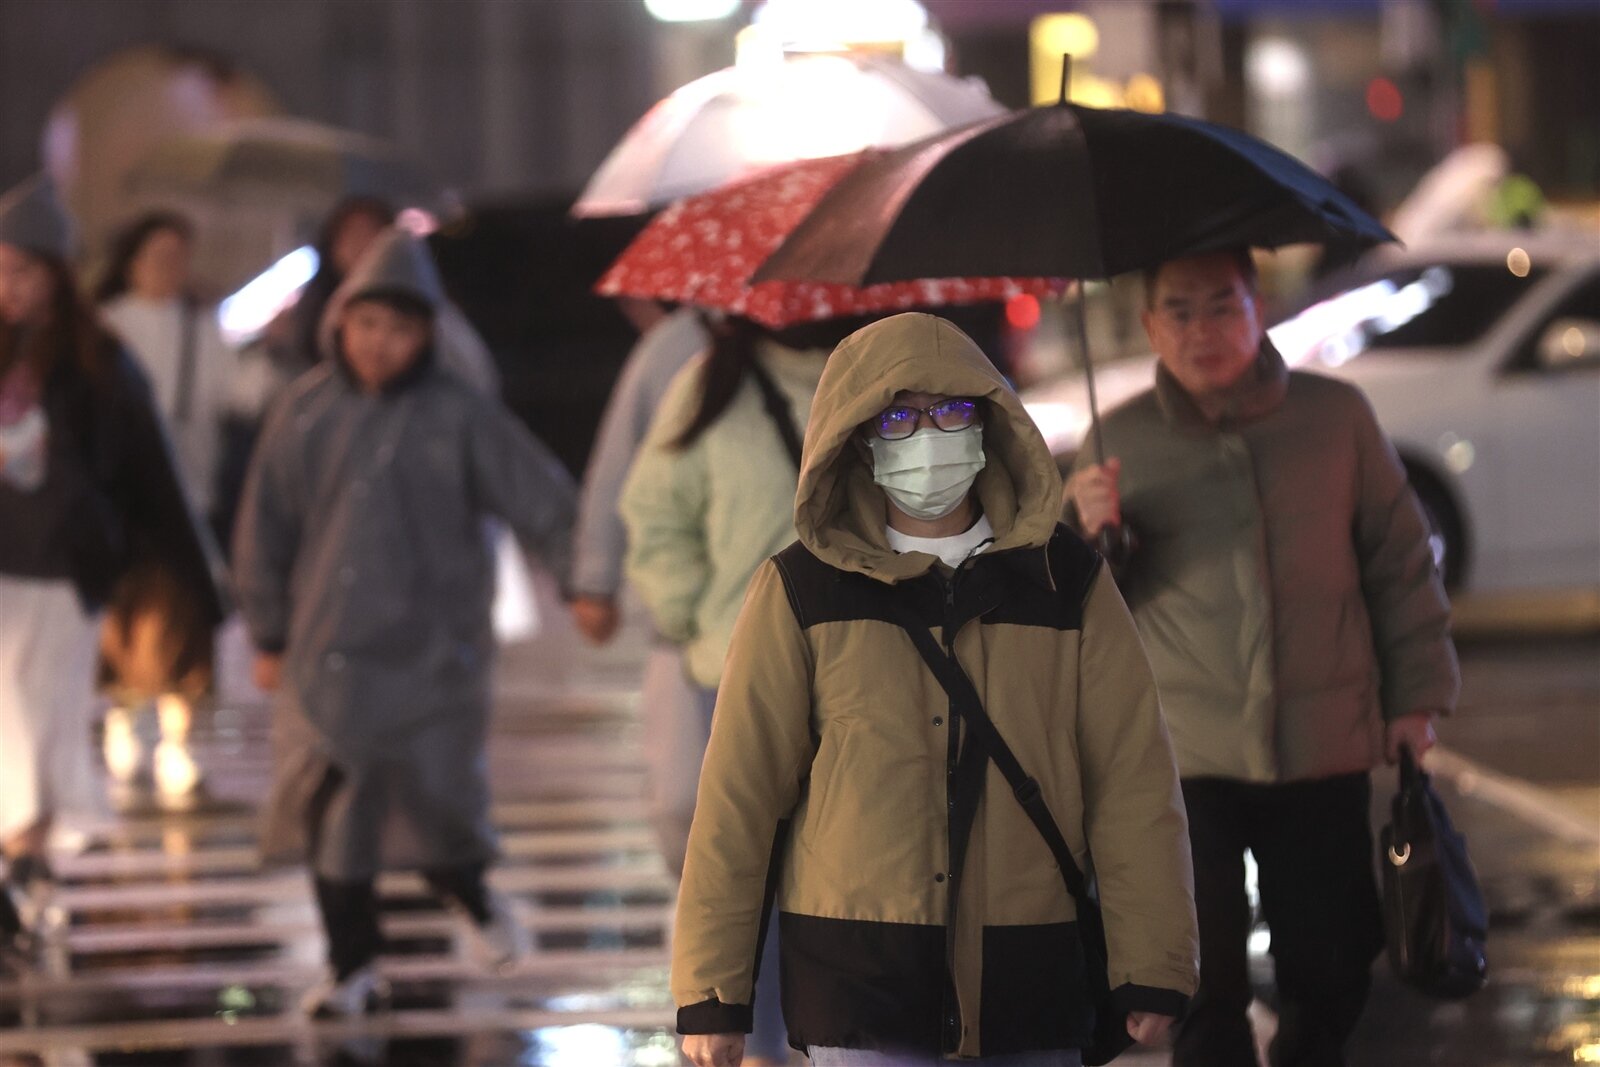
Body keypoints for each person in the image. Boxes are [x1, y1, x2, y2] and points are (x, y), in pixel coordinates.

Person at [675, 312, 1198, 1067]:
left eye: (950, 409)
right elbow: (740, 796)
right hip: (861, 989)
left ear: (986, 421)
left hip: (1030, 982)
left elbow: (1132, 779)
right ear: (861, 438)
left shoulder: (1067, 581)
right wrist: (712, 992)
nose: (927, 434)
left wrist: (1154, 962)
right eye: (899, 417)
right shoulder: (801, 590)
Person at [1065, 250, 1459, 1067]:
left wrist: (1414, 697)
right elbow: (1083, 613)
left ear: (1258, 307)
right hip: (1182, 755)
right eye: (1180, 311)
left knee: (1331, 965)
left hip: (1321, 742)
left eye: (1222, 305)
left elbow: (1399, 562)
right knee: (1201, 983)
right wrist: (1086, 532)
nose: (1202, 329)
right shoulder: (1117, 441)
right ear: (1150, 326)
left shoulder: (1335, 419)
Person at [232, 228, 577, 1016]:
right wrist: (268, 629)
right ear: (341, 322)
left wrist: (579, 576)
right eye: (367, 324)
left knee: (435, 805)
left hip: (433, 658)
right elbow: (265, 526)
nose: (379, 343)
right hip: (328, 657)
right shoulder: (305, 411)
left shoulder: (461, 415)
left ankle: (473, 895)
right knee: (335, 814)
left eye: (399, 327)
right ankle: (351, 965)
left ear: (427, 334)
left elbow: (542, 497)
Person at [0, 175, 221, 954]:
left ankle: (25, 861)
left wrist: (201, 582)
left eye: (23, 270)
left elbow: (153, 476)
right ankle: (25, 864)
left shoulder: (97, 362)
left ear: (58, 275)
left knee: (37, 717)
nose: (9, 286)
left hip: (63, 574)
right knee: (9, 719)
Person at [96, 211, 237, 806]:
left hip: (189, 496)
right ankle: (127, 717)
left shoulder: (202, 326)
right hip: (122, 501)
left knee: (186, 614)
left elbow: (233, 394)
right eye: (158, 256)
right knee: (126, 617)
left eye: (178, 257)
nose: (169, 268)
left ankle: (178, 741)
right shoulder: (108, 325)